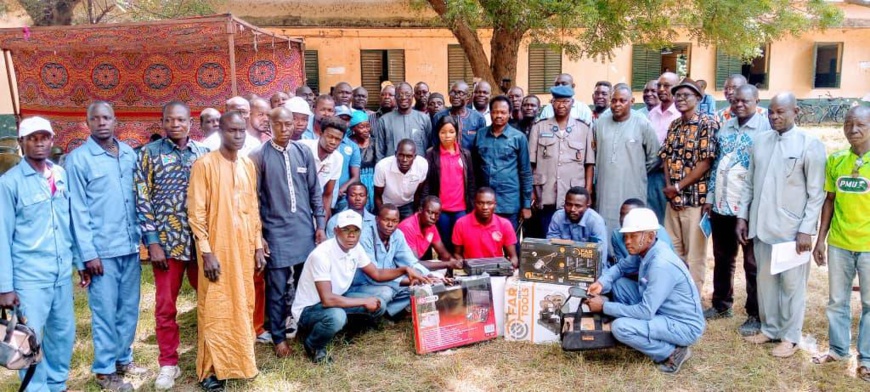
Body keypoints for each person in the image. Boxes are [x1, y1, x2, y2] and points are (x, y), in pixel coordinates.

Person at [737, 92, 826, 358]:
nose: (775, 117)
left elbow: (816, 193)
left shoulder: (809, 144)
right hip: (761, 226)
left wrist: (806, 230)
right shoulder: (761, 141)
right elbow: (749, 183)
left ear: (795, 111)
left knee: (791, 286)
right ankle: (770, 328)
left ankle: (790, 336)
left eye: (781, 112)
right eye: (771, 112)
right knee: (765, 282)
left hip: (792, 230)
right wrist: (743, 216)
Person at [66, 102, 144, 391]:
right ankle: (104, 371)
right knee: (104, 312)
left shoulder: (128, 154)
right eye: (95, 118)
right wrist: (88, 255)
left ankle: (123, 359)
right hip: (101, 253)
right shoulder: (78, 160)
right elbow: (77, 211)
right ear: (87, 123)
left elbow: (139, 199)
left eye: (106, 117)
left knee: (129, 310)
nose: (101, 122)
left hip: (129, 246)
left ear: (115, 120)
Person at [0, 117, 81, 392]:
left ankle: (57, 385)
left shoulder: (60, 174)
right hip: (29, 278)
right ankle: (37, 389)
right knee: (30, 342)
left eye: (44, 137)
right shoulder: (9, 183)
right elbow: (2, 236)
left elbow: (70, 224)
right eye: (32, 138)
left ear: (51, 140)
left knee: (62, 335)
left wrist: (79, 262)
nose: (39, 143)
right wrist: (5, 287)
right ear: (21, 143)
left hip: (60, 274)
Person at [187, 111, 266, 390]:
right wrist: (206, 252)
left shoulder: (247, 165)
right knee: (216, 306)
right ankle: (210, 370)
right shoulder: (204, 165)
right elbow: (196, 214)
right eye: (232, 130)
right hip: (217, 249)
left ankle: (238, 362)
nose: (238, 135)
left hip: (243, 249)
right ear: (220, 131)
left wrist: (257, 246)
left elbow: (252, 209)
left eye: (242, 130)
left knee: (242, 303)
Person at [135, 101, 209, 390]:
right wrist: (152, 242)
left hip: (200, 244)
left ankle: (210, 356)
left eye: (180, 120)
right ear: (162, 123)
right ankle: (168, 363)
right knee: (166, 307)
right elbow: (142, 200)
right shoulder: (149, 155)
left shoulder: (203, 154)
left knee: (208, 302)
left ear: (190, 122)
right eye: (169, 120)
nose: (175, 125)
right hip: (166, 246)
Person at [291, 209, 427, 363]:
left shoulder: (355, 248)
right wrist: (363, 301)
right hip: (310, 309)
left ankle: (345, 331)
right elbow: (327, 300)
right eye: (346, 230)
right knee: (337, 316)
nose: (351, 235)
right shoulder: (321, 255)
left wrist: (404, 270)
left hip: (338, 297)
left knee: (378, 303)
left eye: (355, 230)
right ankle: (313, 344)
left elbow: (376, 274)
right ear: (336, 231)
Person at [586, 208, 705, 374]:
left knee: (620, 327)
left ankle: (672, 353)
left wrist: (604, 307)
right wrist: (601, 282)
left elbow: (645, 311)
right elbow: (620, 267)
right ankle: (644, 336)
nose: (627, 241)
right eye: (626, 236)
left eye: (633, 236)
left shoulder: (660, 264)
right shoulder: (646, 249)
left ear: (650, 236)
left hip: (683, 325)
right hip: (662, 310)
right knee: (619, 284)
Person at [250, 106, 327, 357]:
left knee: (307, 284)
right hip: (276, 232)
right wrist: (260, 236)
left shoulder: (303, 151)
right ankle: (278, 336)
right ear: (269, 126)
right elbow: (255, 200)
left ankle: (304, 325)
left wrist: (320, 225)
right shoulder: (259, 157)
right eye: (279, 125)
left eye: (288, 124)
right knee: (278, 287)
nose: (284, 129)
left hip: (305, 230)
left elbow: (315, 192)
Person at [702, 84, 770, 334]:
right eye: (736, 101)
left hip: (748, 208)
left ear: (756, 101)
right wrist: (710, 197)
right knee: (722, 258)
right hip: (721, 205)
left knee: (752, 263)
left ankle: (755, 314)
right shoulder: (725, 127)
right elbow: (717, 165)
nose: (739, 105)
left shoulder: (765, 129)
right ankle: (721, 304)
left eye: (745, 101)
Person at [812, 106, 870, 381]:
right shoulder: (836, 161)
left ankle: (867, 358)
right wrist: (820, 240)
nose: (853, 130)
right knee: (837, 300)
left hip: (869, 246)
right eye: (848, 124)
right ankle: (837, 349)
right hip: (839, 243)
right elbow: (829, 201)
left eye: (860, 125)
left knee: (869, 304)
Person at [660, 78, 718, 292]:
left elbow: (705, 163)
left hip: (695, 200)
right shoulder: (674, 125)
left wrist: (677, 187)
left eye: (687, 95)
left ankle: (692, 301)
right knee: (672, 251)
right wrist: (669, 188)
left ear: (698, 98)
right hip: (672, 200)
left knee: (695, 255)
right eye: (678, 95)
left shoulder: (707, 123)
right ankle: (675, 295)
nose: (681, 99)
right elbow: (665, 157)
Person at [529, 85, 595, 237]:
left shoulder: (584, 129)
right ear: (551, 103)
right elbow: (531, 164)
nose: (561, 105)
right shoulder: (539, 127)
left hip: (573, 197)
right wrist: (532, 192)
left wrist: (588, 192)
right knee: (547, 237)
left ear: (572, 103)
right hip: (545, 195)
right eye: (557, 101)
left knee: (574, 239)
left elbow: (589, 164)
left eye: (565, 101)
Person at [594, 84, 660, 233]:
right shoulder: (601, 123)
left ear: (632, 101)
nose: (617, 104)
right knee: (605, 225)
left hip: (633, 187)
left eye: (622, 101)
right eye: (614, 100)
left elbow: (655, 156)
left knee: (632, 224)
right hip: (605, 188)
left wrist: (637, 170)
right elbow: (595, 152)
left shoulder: (642, 123)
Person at [350, 204, 436, 317]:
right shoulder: (365, 236)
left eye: (395, 221)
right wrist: (408, 279)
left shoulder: (398, 235)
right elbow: (374, 276)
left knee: (418, 288)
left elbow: (410, 261)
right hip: (362, 284)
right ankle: (371, 314)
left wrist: (429, 277)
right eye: (386, 220)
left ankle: (389, 311)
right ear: (377, 219)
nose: (390, 225)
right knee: (386, 292)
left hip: (386, 280)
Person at [472, 95, 533, 231]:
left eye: (503, 112)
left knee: (511, 244)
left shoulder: (519, 138)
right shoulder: (480, 135)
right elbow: (475, 170)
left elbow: (526, 173)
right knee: (485, 244)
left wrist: (526, 205)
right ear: (490, 112)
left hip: (509, 202)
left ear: (510, 113)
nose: (498, 115)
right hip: (484, 203)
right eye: (495, 112)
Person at [423, 115, 475, 253]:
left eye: (451, 132)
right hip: (441, 209)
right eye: (443, 132)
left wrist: (472, 205)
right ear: (438, 133)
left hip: (461, 208)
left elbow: (471, 181)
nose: (447, 136)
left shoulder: (465, 154)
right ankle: (447, 272)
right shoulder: (431, 154)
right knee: (445, 244)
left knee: (462, 244)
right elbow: (427, 182)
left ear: (457, 133)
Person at [545, 187, 608, 275]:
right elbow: (551, 248)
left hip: (589, 269)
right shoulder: (558, 216)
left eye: (578, 206)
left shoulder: (596, 221)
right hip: (562, 265)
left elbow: (600, 258)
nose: (572, 209)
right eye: (568, 204)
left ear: (587, 206)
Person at [452, 187, 519, 267]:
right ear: (474, 204)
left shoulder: (505, 224)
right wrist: (464, 266)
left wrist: (509, 267)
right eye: (480, 203)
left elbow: (513, 257)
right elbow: (457, 254)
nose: (485, 207)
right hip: (471, 271)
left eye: (489, 203)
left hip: (496, 270)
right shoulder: (461, 223)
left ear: (495, 204)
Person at [647, 72, 681, 223]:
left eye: (666, 86)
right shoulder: (652, 114)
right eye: (659, 85)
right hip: (651, 175)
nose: (661, 89)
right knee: (652, 217)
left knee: (668, 222)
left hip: (672, 178)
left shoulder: (680, 114)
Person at [300, 116, 346, 223]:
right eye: (330, 136)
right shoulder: (302, 148)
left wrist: (322, 225)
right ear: (320, 133)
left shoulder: (338, 158)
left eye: (338, 139)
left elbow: (328, 194)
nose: (333, 142)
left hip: (313, 207)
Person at [397, 196, 462, 265]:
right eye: (430, 212)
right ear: (420, 210)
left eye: (437, 214)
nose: (433, 217)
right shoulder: (408, 227)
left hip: (414, 266)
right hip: (400, 268)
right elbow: (414, 264)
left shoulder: (431, 226)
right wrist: (448, 264)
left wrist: (454, 262)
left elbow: (443, 254)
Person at [374, 139, 429, 220]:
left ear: (415, 156)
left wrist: (416, 212)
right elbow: (377, 196)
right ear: (396, 154)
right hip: (387, 204)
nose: (404, 160)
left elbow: (418, 192)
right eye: (401, 155)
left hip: (408, 204)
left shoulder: (422, 165)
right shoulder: (382, 167)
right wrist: (383, 215)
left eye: (409, 156)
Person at [375, 82, 432, 159]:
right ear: (395, 97)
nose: (404, 97)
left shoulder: (424, 119)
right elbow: (379, 150)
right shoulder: (384, 120)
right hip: (392, 167)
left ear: (412, 96)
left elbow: (430, 147)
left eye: (407, 95)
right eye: (400, 95)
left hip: (418, 167)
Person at [610, 199, 673, 265]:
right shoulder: (616, 235)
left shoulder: (657, 231)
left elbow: (662, 263)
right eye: (621, 214)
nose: (623, 219)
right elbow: (621, 266)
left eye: (628, 216)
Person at [432, 81, 487, 149]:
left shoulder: (478, 118)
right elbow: (434, 144)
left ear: (468, 96)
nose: (456, 96)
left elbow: (482, 145)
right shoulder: (438, 117)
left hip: (471, 159)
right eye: (453, 92)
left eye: (460, 93)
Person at [347, 111, 377, 212]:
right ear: (353, 129)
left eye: (367, 126)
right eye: (361, 127)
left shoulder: (374, 142)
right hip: (354, 182)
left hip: (372, 182)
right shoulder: (348, 144)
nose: (366, 130)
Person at [332, 115, 361, 212]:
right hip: (323, 194)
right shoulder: (325, 142)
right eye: (341, 118)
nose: (344, 122)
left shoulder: (353, 146)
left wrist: (340, 190)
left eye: (347, 120)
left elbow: (355, 176)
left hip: (342, 197)